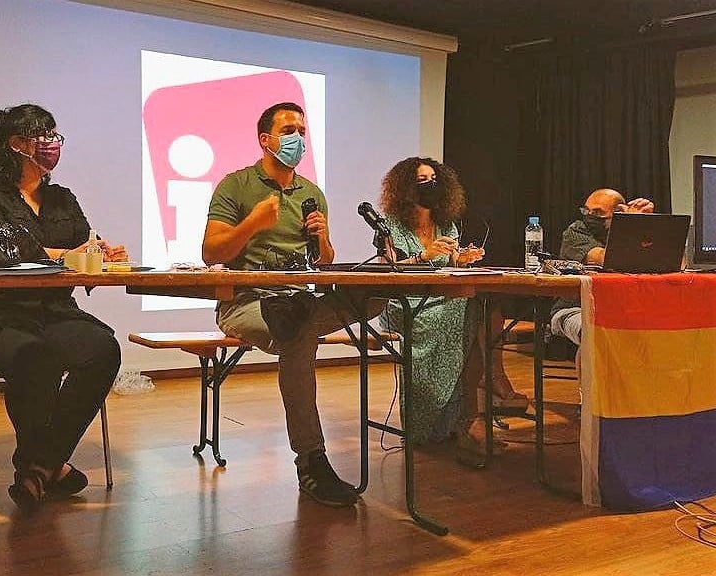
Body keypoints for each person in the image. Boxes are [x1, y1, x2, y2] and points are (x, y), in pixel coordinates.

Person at [202, 102, 384, 508]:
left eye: (301, 130)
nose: (297, 138)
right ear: (265, 140)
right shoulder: (236, 186)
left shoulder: (311, 193)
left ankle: (312, 463)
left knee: (375, 296)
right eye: (288, 130)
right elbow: (211, 252)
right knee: (298, 331)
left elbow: (324, 261)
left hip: (300, 300)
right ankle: (312, 463)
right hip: (247, 304)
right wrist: (252, 223)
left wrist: (321, 239)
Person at [0, 104, 126, 512]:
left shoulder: (62, 198)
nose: (53, 143)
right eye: (43, 135)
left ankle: (39, 465)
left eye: (55, 135)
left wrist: (105, 254)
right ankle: (47, 466)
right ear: (16, 144)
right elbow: (5, 251)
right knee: (38, 358)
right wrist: (71, 254)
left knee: (103, 349)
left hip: (55, 311)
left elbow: (88, 246)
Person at [378, 156, 528, 460]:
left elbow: (448, 263)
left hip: (444, 298)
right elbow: (386, 272)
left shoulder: (446, 223)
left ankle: (465, 417)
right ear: (405, 187)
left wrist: (461, 259)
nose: (429, 184)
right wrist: (424, 257)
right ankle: (446, 417)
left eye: (434, 178)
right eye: (421, 180)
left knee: (480, 309)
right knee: (461, 315)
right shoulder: (391, 226)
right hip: (404, 302)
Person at [550, 188, 654, 345]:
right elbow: (604, 258)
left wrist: (646, 224)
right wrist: (631, 224)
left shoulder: (635, 230)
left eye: (598, 213)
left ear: (618, 212)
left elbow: (677, 261)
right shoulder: (575, 231)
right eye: (586, 211)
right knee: (594, 334)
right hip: (574, 309)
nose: (590, 216)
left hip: (623, 309)